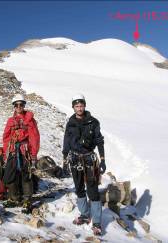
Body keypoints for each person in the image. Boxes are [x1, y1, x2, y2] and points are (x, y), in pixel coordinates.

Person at [62, 94, 106, 236]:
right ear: (73, 107)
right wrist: (64, 158)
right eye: (77, 106)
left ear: (84, 106)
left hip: (89, 160)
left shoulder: (93, 122)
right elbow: (66, 141)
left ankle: (97, 222)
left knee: (92, 190)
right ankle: (85, 215)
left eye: (81, 105)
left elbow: (99, 141)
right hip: (75, 159)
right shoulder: (71, 122)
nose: (79, 108)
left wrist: (103, 159)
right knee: (79, 188)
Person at [2, 94, 40, 209]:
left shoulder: (30, 120)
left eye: (21, 104)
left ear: (24, 105)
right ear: (14, 106)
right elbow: (6, 138)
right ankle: (14, 197)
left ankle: (27, 199)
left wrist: (33, 155)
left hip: (25, 151)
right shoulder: (10, 121)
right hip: (13, 150)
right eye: (16, 105)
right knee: (11, 174)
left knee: (26, 174)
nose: (19, 107)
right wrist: (6, 153)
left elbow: (34, 138)